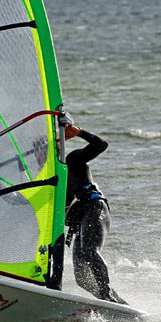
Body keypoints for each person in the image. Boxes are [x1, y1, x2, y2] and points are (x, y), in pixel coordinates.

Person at [61, 124, 126, 304]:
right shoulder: (50, 182)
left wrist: (80, 133)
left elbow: (101, 145)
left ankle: (107, 294)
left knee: (90, 251)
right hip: (79, 221)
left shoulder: (72, 160)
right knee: (81, 277)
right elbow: (19, 200)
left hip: (94, 207)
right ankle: (115, 304)